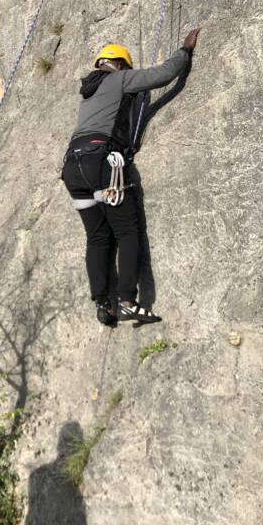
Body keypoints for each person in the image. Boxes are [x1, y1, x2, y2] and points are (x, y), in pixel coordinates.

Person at [61, 29, 200, 327]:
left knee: (97, 237)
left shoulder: (88, 90)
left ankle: (103, 304)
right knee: (126, 231)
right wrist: (184, 51)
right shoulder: (119, 78)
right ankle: (127, 301)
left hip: (73, 167)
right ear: (120, 64)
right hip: (102, 161)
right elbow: (163, 75)